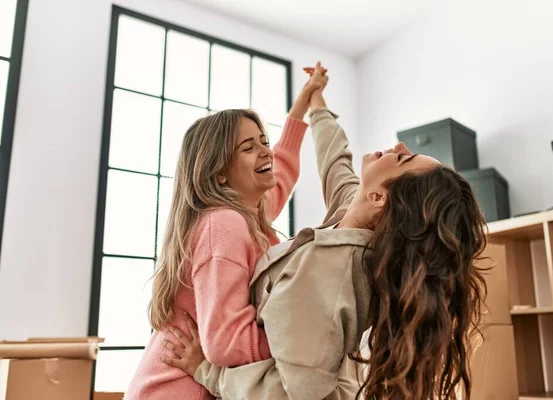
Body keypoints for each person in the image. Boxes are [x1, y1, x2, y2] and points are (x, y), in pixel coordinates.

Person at [164, 67, 488, 400]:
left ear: (379, 197)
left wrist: (206, 371)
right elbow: (334, 158)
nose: (399, 145)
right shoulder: (352, 213)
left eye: (403, 158)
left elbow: (292, 393)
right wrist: (315, 102)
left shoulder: (329, 272)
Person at [125, 63, 329, 400]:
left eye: (263, 141)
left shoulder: (247, 216)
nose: (265, 151)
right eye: (248, 148)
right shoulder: (225, 224)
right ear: (220, 174)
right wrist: (307, 342)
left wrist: (302, 104)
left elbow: (282, 168)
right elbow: (227, 343)